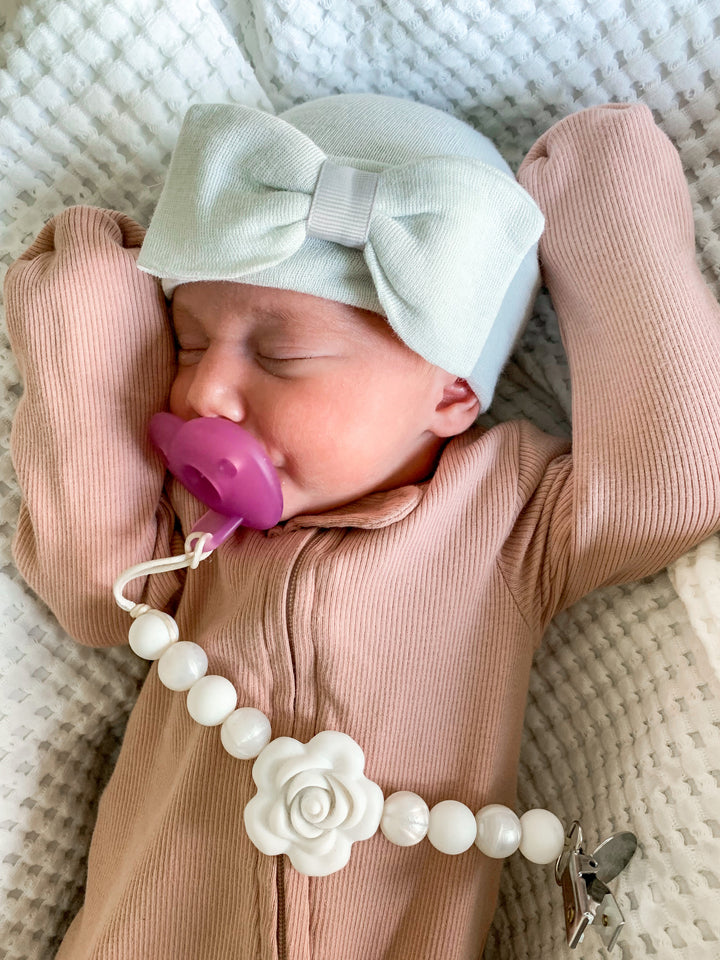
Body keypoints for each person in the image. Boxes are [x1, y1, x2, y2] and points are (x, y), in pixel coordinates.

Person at [5, 94, 720, 960]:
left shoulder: (509, 517)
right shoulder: (199, 532)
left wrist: (606, 208)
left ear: (450, 392)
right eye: (188, 343)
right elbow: (91, 590)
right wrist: (87, 303)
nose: (201, 396)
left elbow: (673, 487)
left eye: (280, 354)